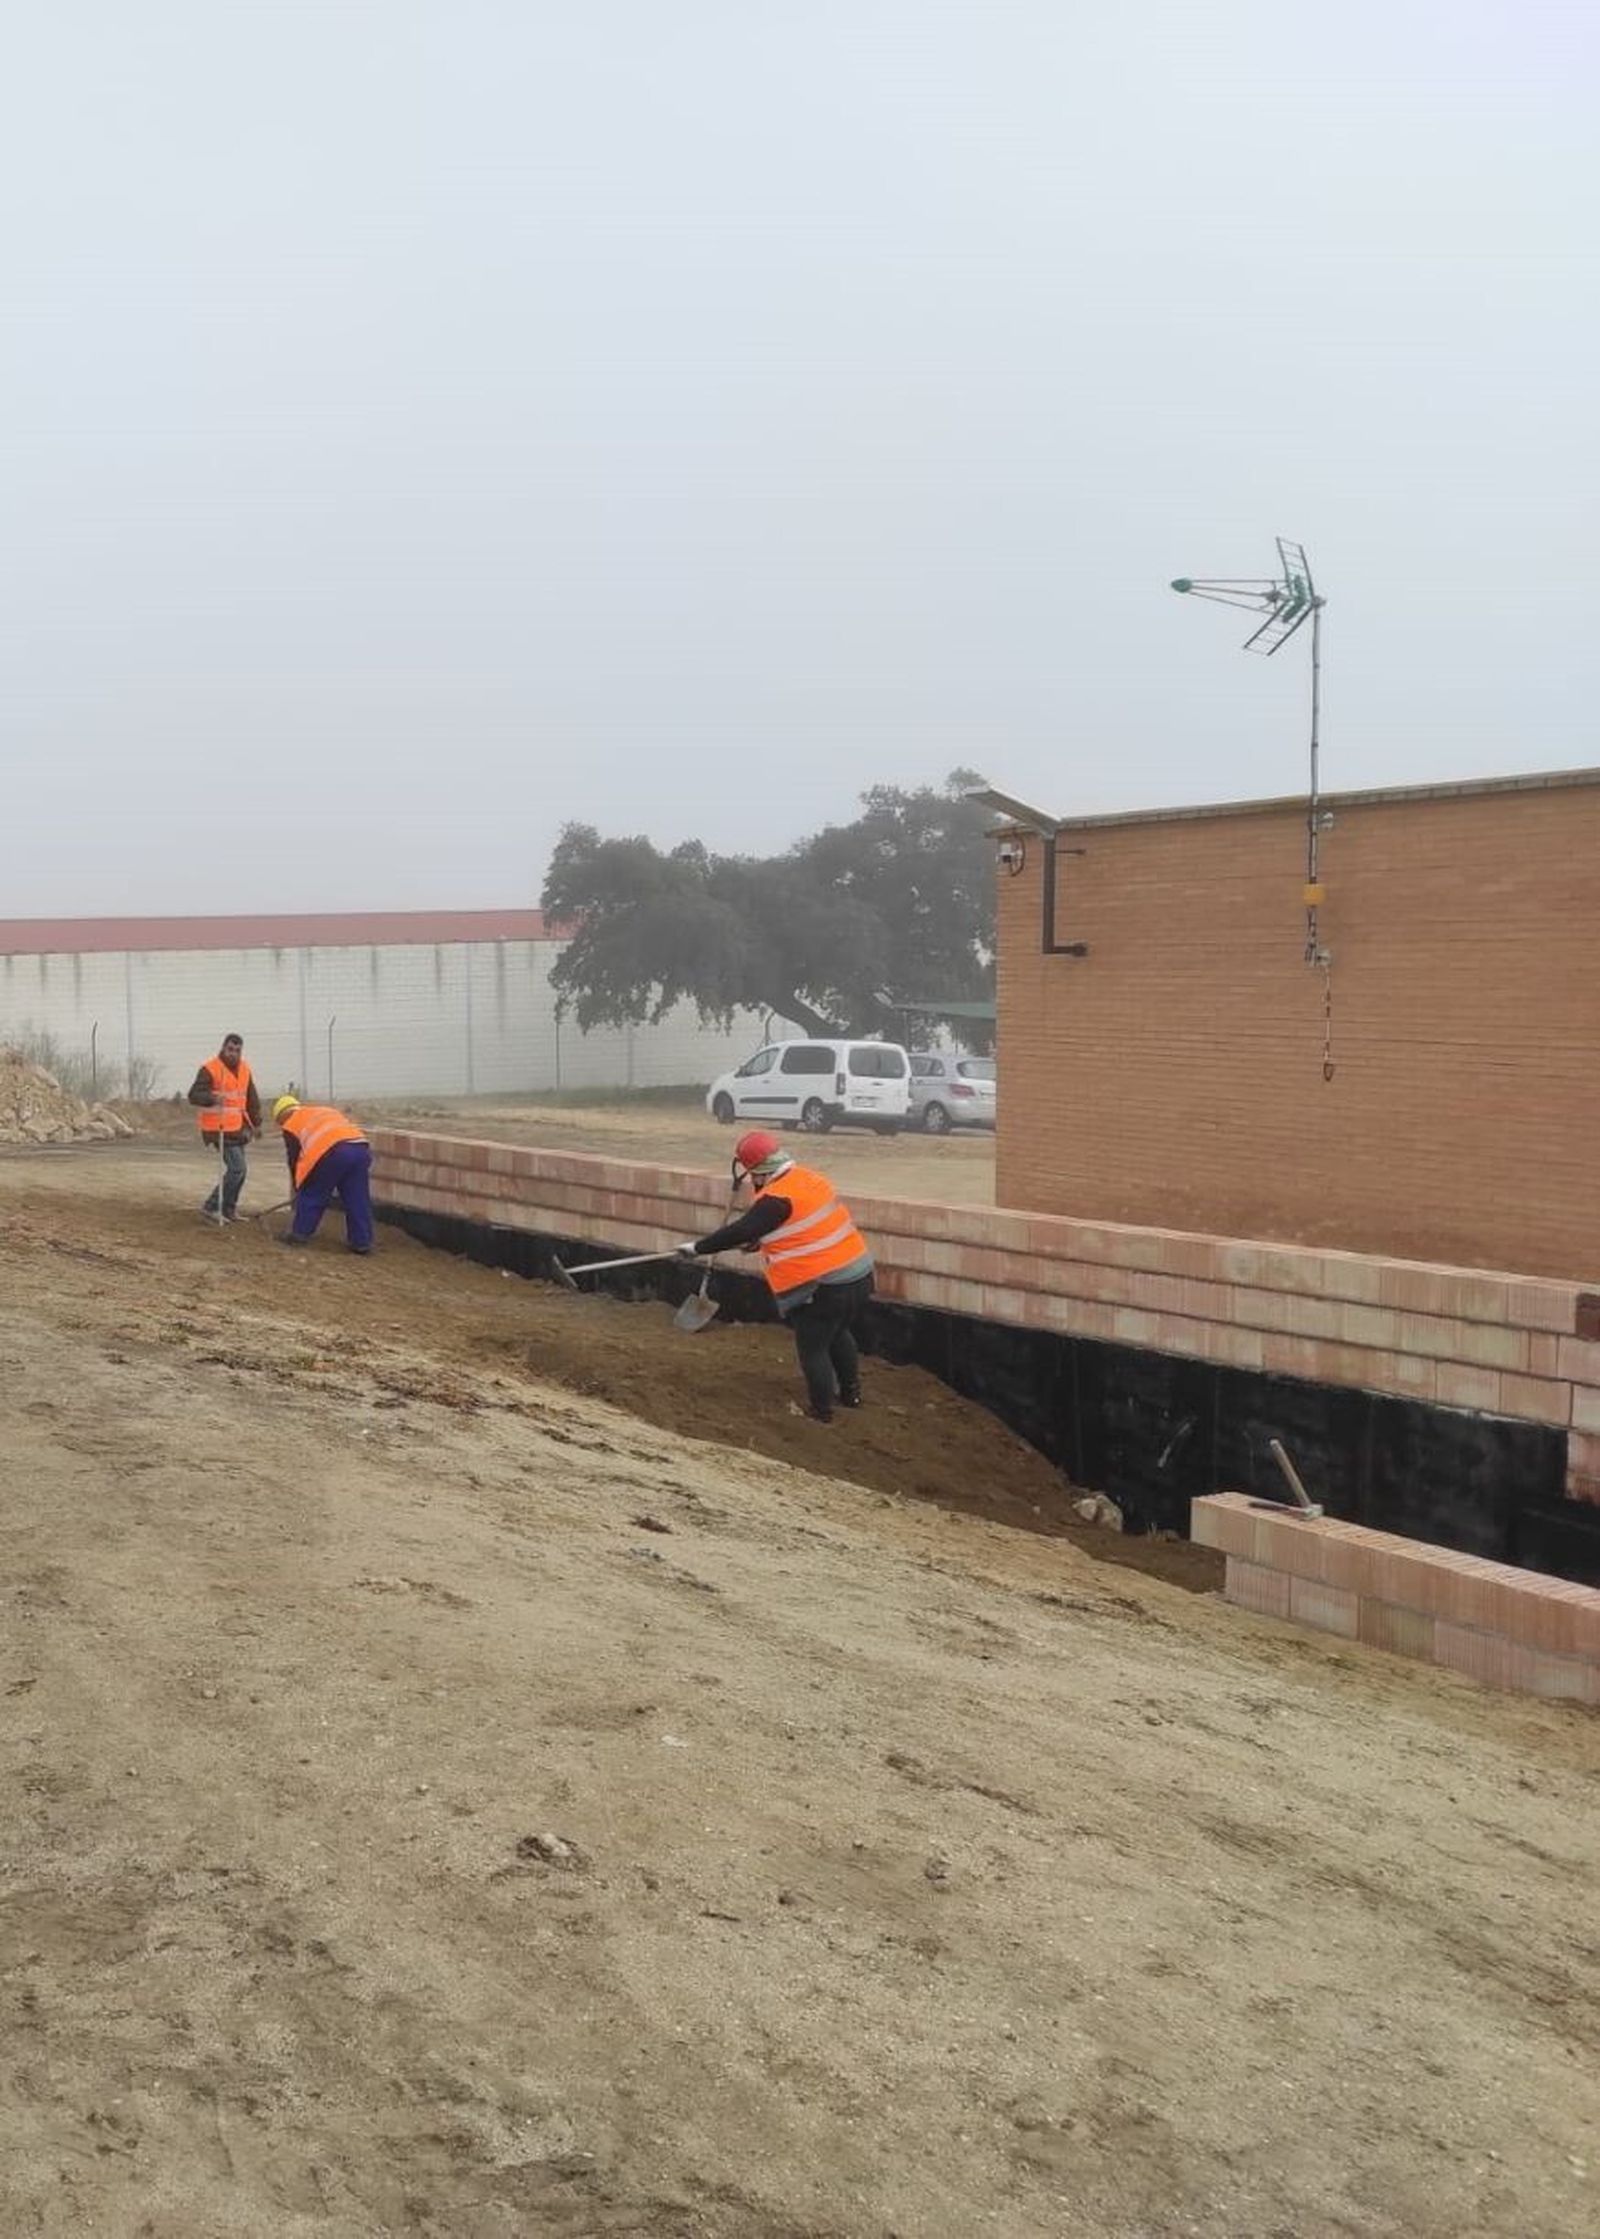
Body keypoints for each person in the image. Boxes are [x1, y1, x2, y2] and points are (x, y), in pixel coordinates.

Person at [680, 1130, 874, 1423]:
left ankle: (821, 1413)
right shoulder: (808, 1179)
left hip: (823, 1287)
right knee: (838, 1333)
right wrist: (760, 1241)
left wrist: (697, 1248)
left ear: (757, 1172)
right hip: (858, 1275)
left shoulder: (775, 1199)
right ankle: (851, 1394)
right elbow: (801, 1225)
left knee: (813, 1349)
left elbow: (743, 1229)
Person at [270, 1094, 375, 1254]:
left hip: (333, 1152)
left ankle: (299, 1234)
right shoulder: (322, 1111)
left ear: (282, 1116)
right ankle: (362, 1242)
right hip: (360, 1148)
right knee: (357, 1197)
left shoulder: (290, 1124)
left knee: (313, 1193)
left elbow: (294, 1159)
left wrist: (299, 1185)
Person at [186, 1032, 261, 1222]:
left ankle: (229, 1209)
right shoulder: (210, 1069)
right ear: (223, 1048)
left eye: (237, 1050)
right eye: (230, 1049)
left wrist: (256, 1123)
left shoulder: (244, 1069)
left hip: (238, 1128)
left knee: (241, 1171)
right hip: (217, 1128)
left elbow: (251, 1098)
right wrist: (211, 1098)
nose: (233, 1053)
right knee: (237, 1169)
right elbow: (194, 1094)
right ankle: (210, 1206)